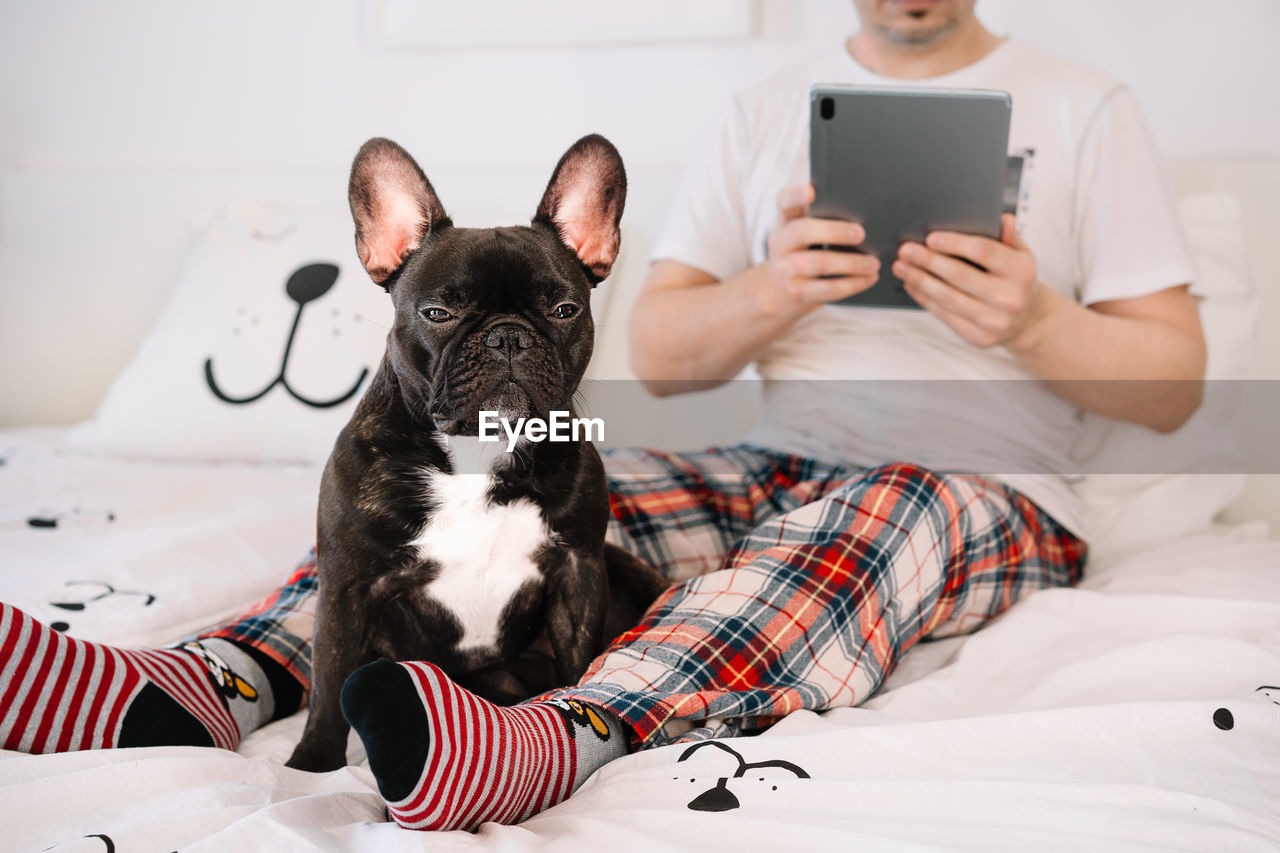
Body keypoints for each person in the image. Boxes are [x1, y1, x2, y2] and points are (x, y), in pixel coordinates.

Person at [0, 0, 1204, 833]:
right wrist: (777, 287)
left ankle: (555, 733)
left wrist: (1032, 319)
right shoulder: (762, 107)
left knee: (849, 538)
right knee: (467, 505)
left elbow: (1175, 386)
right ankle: (209, 683)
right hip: (767, 458)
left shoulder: (1085, 106)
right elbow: (663, 358)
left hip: (978, 483)